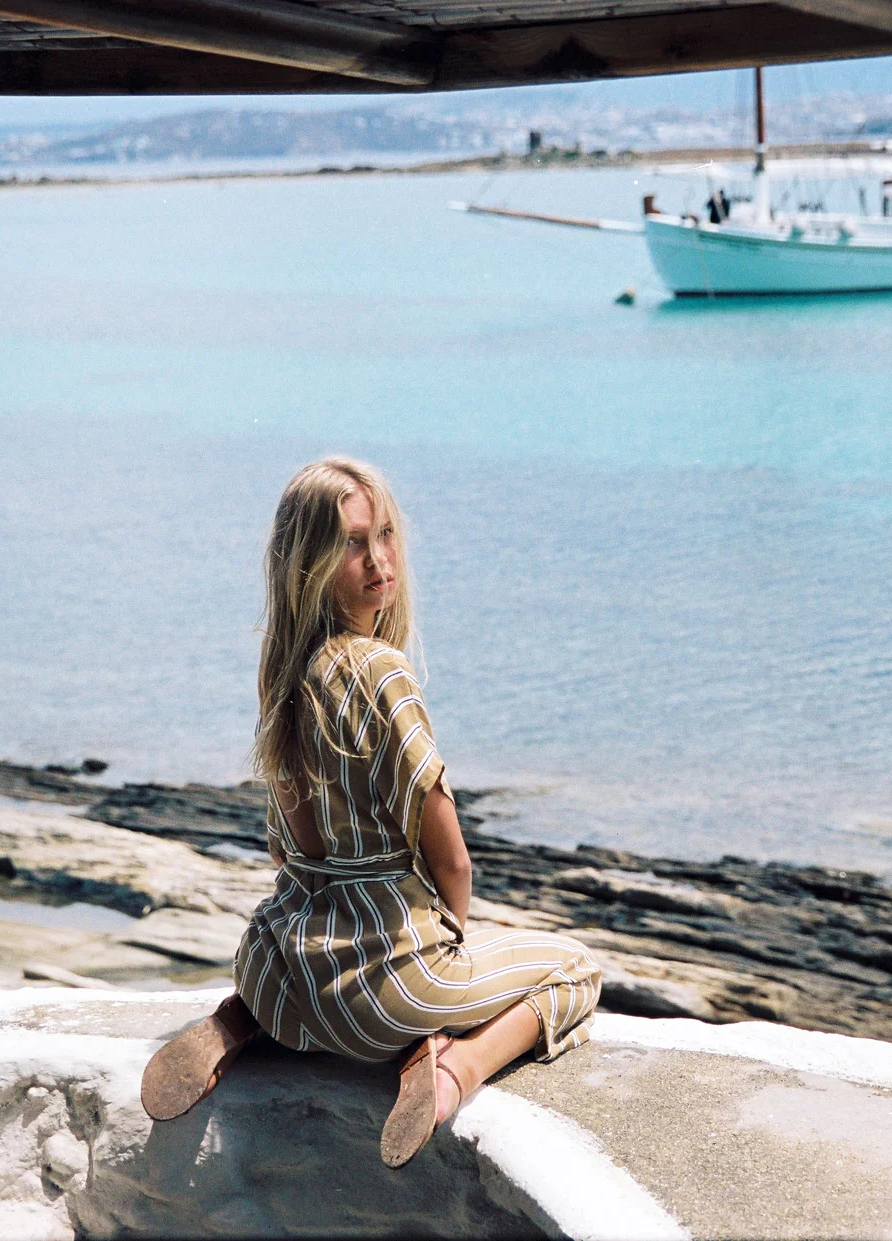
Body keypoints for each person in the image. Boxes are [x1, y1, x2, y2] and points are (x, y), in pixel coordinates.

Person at [140, 457, 602, 1168]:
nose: (379, 559)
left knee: (314, 985)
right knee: (575, 968)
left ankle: (243, 1021)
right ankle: (454, 1070)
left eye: (385, 534)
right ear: (311, 565)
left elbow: (286, 852)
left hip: (273, 967)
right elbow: (453, 860)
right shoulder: (382, 672)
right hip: (378, 997)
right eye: (353, 543)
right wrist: (447, 953)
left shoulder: (284, 674)